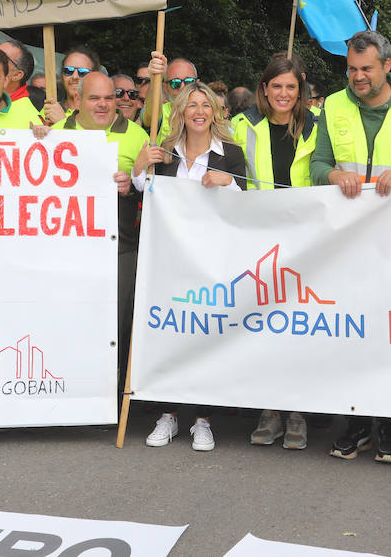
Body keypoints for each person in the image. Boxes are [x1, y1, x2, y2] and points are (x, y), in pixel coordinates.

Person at [310, 30, 391, 464]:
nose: (357, 77)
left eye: (366, 68)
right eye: (351, 68)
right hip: (347, 242)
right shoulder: (334, 104)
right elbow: (318, 163)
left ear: (387, 66)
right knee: (352, 334)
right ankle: (357, 422)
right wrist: (331, 177)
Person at [132, 82, 246, 453]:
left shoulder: (230, 153)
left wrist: (228, 183)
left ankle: (203, 419)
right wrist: (139, 167)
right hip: (171, 260)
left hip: (214, 261)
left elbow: (246, 205)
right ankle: (168, 413)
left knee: (206, 337)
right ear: (179, 112)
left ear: (215, 112)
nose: (199, 111)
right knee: (171, 335)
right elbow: (145, 190)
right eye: (191, 105)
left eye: (206, 106)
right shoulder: (164, 153)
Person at [231, 55, 318, 451]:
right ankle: (269, 409)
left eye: (291, 87)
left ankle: (298, 411)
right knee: (263, 328)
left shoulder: (318, 127)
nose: (283, 94)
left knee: (299, 328)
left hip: (306, 241)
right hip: (259, 238)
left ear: (300, 91)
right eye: (276, 86)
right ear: (264, 88)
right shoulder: (241, 125)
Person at [55, 72, 149, 384]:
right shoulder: (53, 133)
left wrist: (131, 187)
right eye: (94, 98)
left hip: (119, 247)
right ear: (78, 99)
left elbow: (152, 190)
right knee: (69, 318)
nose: (103, 104)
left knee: (116, 323)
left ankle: (111, 394)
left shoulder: (137, 136)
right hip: (66, 248)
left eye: (109, 97)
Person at [44, 45, 99, 122]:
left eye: (83, 72)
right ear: (62, 76)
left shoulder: (102, 113)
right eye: (68, 71)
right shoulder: (49, 109)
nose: (74, 76)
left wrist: (62, 122)